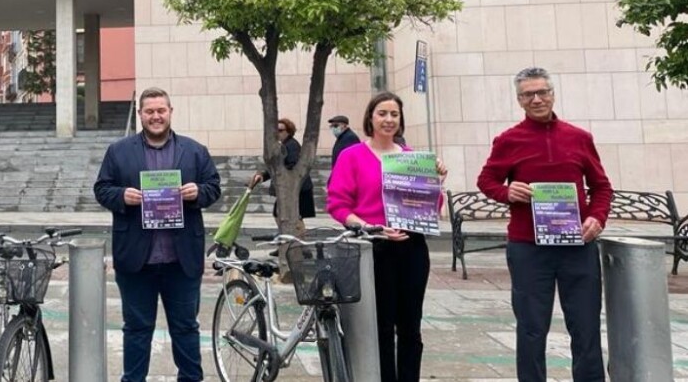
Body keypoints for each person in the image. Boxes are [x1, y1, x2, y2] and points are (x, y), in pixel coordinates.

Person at [476, 67, 612, 382]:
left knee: (586, 325)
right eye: (528, 94)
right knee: (532, 328)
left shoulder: (579, 138)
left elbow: (602, 187)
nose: (537, 99)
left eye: (542, 92)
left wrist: (596, 217)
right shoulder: (508, 140)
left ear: (552, 94)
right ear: (519, 100)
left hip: (577, 246)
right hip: (528, 248)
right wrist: (506, 191)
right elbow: (487, 180)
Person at [93, 87, 222, 382]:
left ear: (170, 112)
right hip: (137, 260)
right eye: (149, 111)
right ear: (140, 115)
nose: (155, 116)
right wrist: (122, 195)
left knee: (186, 328)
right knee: (136, 329)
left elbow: (214, 186)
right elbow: (101, 189)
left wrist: (198, 192)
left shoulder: (194, 150)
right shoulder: (118, 151)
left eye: (161, 110)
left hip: (182, 260)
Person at [326, 91, 447, 382]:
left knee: (410, 326)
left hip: (411, 247)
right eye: (382, 113)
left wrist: (437, 182)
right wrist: (370, 227)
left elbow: (432, 208)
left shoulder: (412, 159)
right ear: (370, 117)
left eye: (394, 114)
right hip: (374, 248)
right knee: (380, 327)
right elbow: (338, 205)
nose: (389, 119)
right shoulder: (351, 156)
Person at [249, 117, 314, 218]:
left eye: (280, 130)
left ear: (289, 131)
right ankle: (290, 233)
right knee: (284, 215)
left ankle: (295, 234)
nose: (277, 133)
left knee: (292, 218)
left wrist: (267, 175)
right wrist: (264, 175)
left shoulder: (291, 145)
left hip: (297, 189)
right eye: (276, 130)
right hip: (293, 189)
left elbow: (292, 165)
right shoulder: (284, 145)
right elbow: (278, 166)